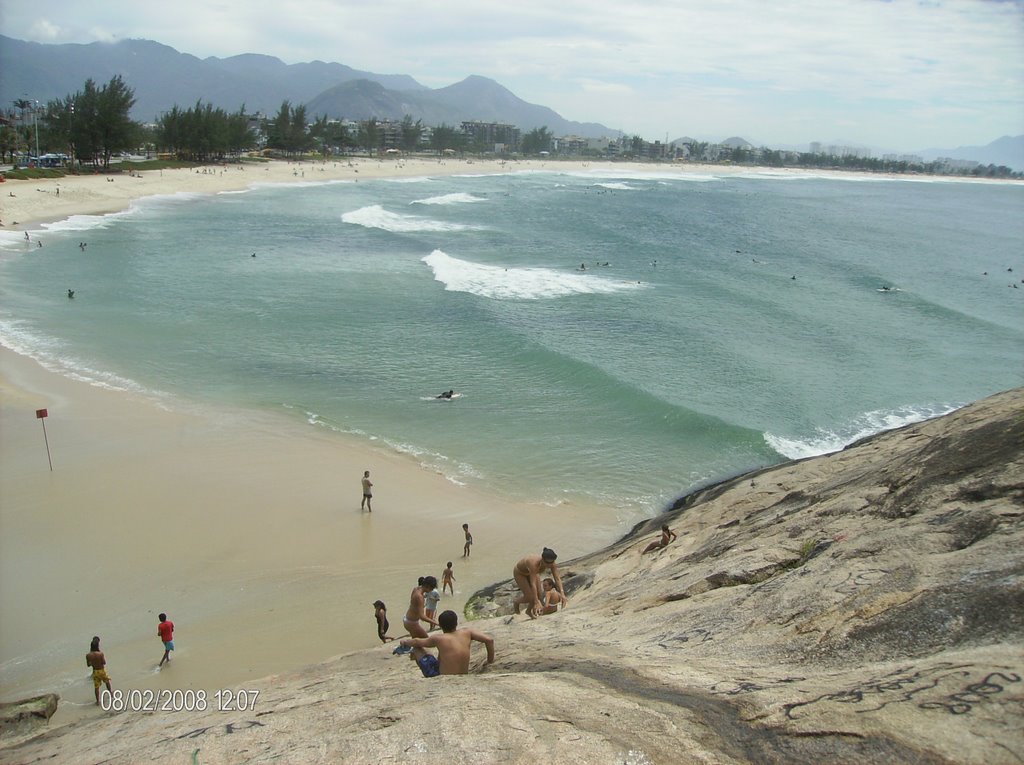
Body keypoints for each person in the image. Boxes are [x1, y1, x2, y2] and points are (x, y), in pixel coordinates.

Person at [399, 610, 494, 677]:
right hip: (464, 673)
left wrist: (405, 642)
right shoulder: (467, 632)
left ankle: (415, 661)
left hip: (441, 675)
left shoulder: (438, 638)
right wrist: (489, 661)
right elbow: (489, 640)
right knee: (434, 653)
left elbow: (416, 642)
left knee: (417, 649)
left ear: (440, 625)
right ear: (456, 623)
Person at [513, 548, 568, 618]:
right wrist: (536, 602)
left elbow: (557, 578)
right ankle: (516, 601)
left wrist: (562, 594)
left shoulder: (552, 563)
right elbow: (533, 584)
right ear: (542, 559)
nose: (549, 565)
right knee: (530, 597)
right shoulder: (533, 563)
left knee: (540, 595)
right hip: (520, 573)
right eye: (547, 563)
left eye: (551, 563)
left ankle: (528, 611)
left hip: (534, 573)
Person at [86, 636, 112, 704]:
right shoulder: (100, 654)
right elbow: (104, 662)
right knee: (107, 681)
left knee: (96, 687)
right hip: (101, 670)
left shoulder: (88, 655)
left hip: (95, 672)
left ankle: (97, 701)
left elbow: (88, 665)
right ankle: (110, 693)